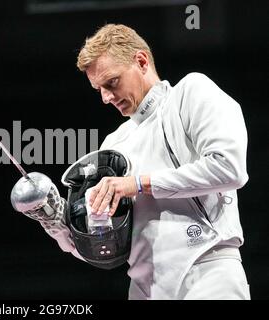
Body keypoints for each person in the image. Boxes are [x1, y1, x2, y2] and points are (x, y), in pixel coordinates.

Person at [50, 24, 249, 300]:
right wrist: (57, 224)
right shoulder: (113, 144)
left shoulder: (190, 93)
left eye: (112, 82)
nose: (106, 97)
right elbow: (106, 248)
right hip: (144, 289)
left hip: (207, 271)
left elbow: (229, 168)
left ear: (141, 62)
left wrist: (138, 183)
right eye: (98, 89)